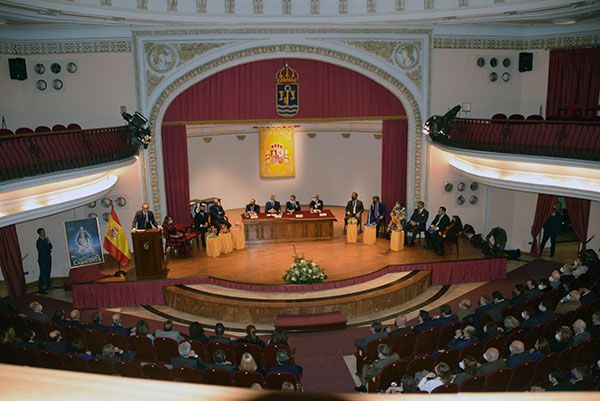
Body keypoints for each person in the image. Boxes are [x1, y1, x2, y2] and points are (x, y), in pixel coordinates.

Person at [36, 227, 53, 294]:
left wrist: (48, 241)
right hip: (42, 260)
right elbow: (44, 250)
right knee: (43, 274)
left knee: (48, 272)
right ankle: (40, 289)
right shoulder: (38, 241)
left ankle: (48, 285)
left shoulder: (45, 239)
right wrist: (48, 248)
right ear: (39, 233)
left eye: (44, 231)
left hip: (48, 258)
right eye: (42, 232)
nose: (44, 233)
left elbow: (51, 247)